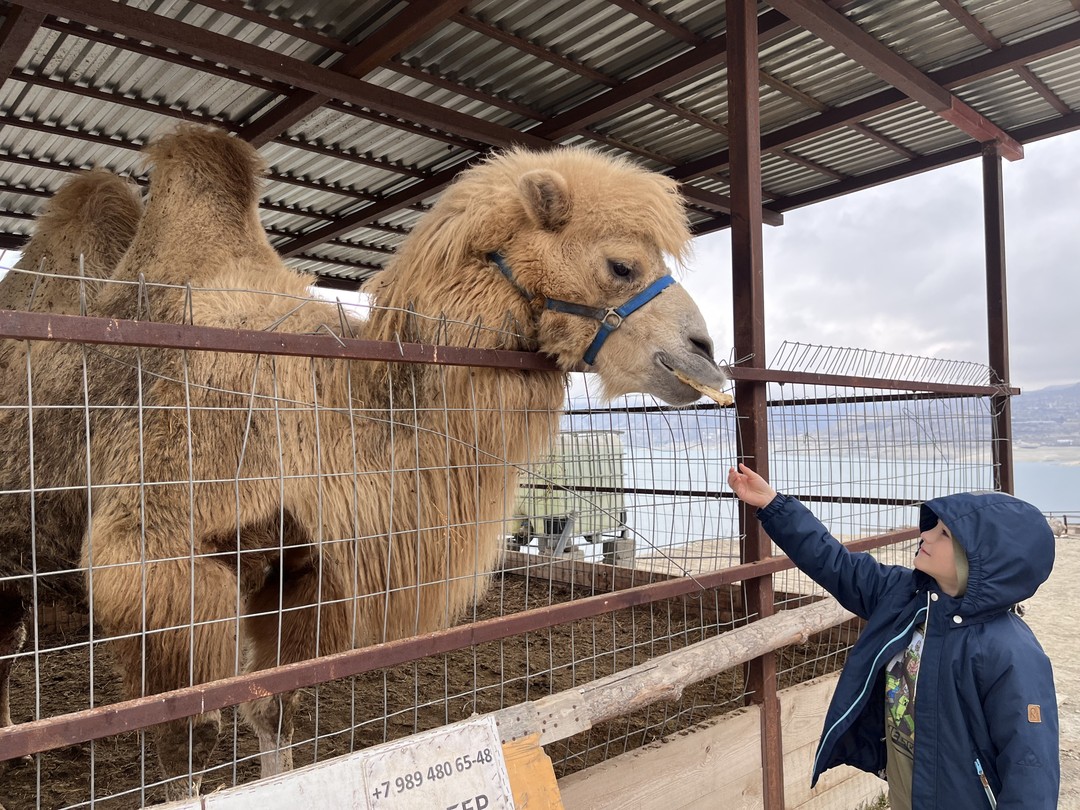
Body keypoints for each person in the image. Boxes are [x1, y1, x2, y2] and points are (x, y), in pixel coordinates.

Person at [726, 463, 1058, 810]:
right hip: (908, 781)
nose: (926, 535)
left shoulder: (1011, 651)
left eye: (944, 534)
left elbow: (1030, 765)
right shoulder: (904, 594)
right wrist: (773, 504)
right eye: (934, 528)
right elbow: (833, 561)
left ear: (981, 561)